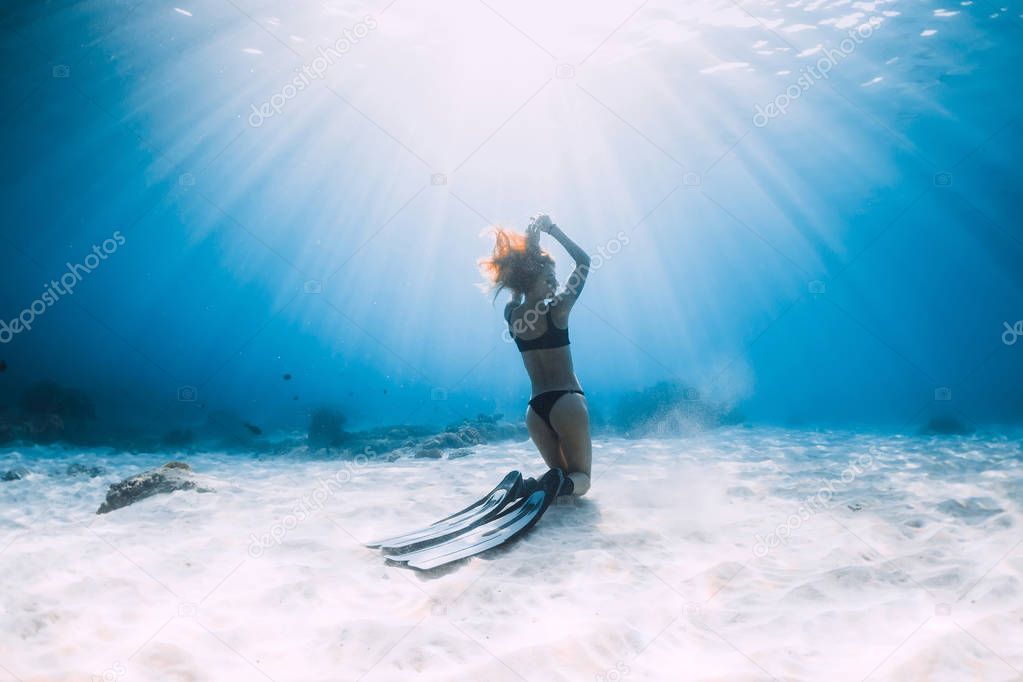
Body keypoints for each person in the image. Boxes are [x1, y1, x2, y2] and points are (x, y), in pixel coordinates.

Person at [479, 214, 592, 496]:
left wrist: (531, 248)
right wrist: (553, 230)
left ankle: (538, 486)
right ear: (535, 280)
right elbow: (584, 262)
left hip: (535, 411)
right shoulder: (559, 309)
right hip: (567, 402)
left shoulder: (512, 315)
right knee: (581, 480)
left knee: (559, 480)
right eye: (549, 277)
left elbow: (517, 292)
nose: (554, 282)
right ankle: (554, 485)